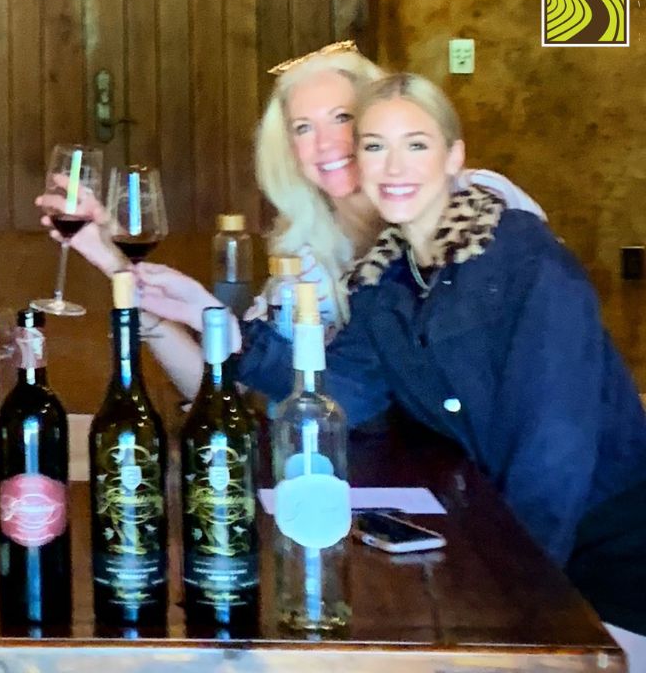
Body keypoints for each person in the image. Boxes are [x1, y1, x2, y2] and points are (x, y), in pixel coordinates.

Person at [145, 72, 646, 669]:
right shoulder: (386, 281)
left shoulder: (523, 258)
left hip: (609, 555)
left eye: (416, 144)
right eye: (376, 147)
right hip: (503, 539)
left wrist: (514, 600)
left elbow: (553, 454)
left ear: (453, 157)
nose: (394, 166)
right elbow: (344, 394)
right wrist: (210, 317)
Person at [40, 41, 543, 398]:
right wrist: (113, 263)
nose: (327, 143)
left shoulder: (477, 204)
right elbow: (233, 387)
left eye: (343, 118)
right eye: (304, 128)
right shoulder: (307, 259)